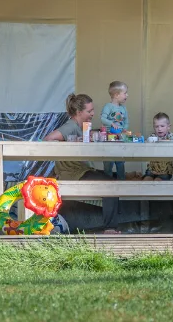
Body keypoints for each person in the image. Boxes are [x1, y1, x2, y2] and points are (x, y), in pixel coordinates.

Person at [44, 93, 121, 234]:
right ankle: (110, 228)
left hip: (82, 170)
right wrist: (69, 143)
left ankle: (112, 225)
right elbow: (48, 139)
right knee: (111, 184)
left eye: (93, 110)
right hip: (72, 174)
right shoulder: (71, 126)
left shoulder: (81, 127)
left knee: (117, 178)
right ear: (79, 112)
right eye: (89, 111)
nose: (93, 114)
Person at [101, 81, 129, 180]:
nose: (127, 95)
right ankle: (107, 183)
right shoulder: (108, 107)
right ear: (117, 95)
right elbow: (103, 119)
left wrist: (125, 129)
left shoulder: (123, 108)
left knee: (120, 161)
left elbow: (126, 121)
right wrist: (111, 123)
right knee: (108, 162)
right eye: (125, 93)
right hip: (109, 138)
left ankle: (122, 182)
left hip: (120, 138)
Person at [144, 112, 173, 181]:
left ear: (168, 127)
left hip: (165, 170)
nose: (159, 129)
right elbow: (145, 146)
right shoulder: (152, 137)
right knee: (146, 181)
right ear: (154, 127)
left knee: (158, 182)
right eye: (156, 126)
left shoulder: (170, 137)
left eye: (162, 126)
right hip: (152, 168)